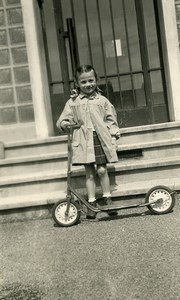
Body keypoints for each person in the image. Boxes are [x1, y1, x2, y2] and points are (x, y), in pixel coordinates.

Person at [56, 65, 121, 219]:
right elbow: (64, 119)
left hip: (99, 139)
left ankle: (107, 198)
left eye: (91, 80)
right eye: (83, 82)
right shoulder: (73, 102)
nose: (88, 85)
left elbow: (111, 119)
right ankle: (91, 203)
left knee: (102, 170)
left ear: (96, 80)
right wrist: (65, 124)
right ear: (77, 83)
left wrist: (113, 136)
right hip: (84, 140)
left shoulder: (102, 100)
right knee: (90, 173)